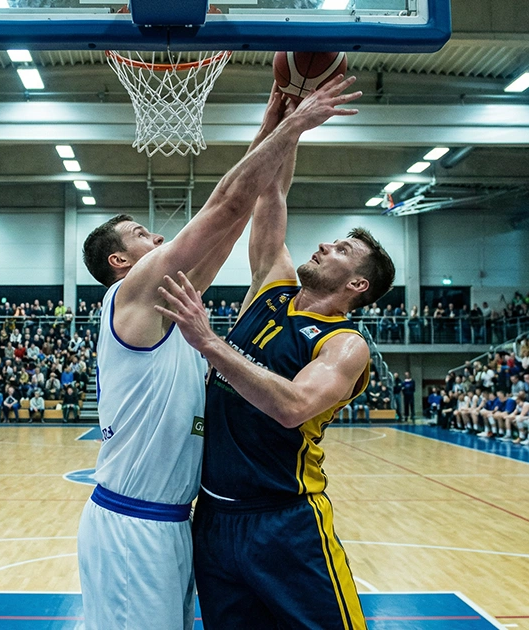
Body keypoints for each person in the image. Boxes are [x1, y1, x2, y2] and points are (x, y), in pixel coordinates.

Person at [76, 78, 359, 630]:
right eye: (141, 234)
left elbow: (234, 220)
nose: (157, 238)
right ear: (118, 261)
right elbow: (227, 206)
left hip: (181, 524)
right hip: (133, 526)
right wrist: (296, 125)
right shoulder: (134, 295)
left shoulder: (174, 303)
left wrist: (273, 123)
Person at [156, 80, 392, 628]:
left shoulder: (344, 344)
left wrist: (209, 342)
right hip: (213, 519)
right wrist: (287, 121)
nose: (324, 245)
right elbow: (270, 195)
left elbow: (291, 406)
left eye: (342, 250)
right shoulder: (273, 287)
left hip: (286, 521)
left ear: (358, 284)